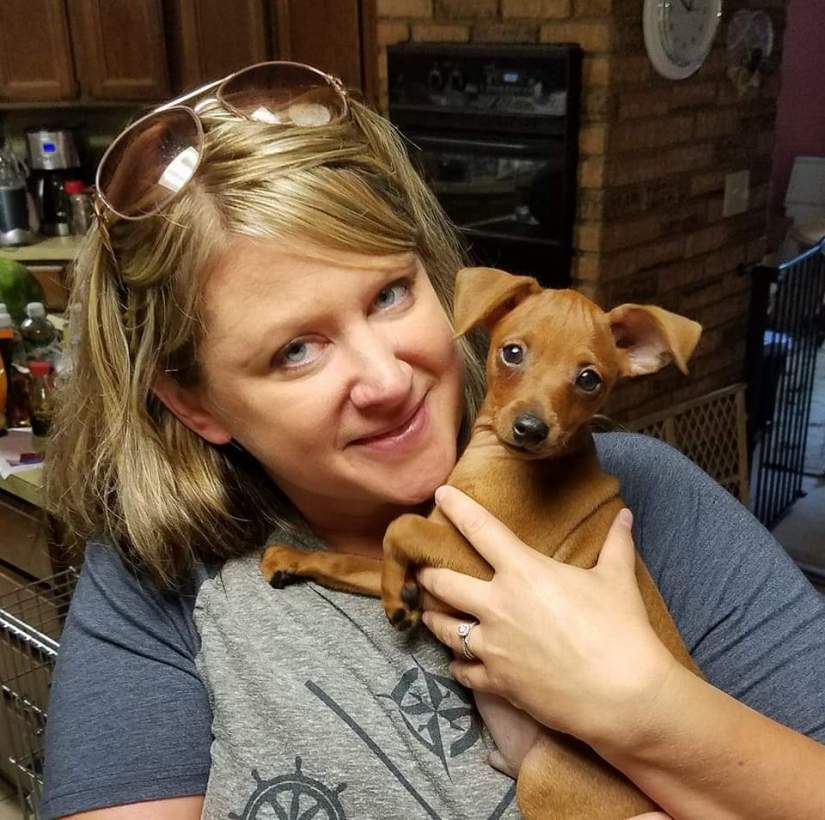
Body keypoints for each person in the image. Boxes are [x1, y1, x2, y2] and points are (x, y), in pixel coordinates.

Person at [41, 61, 825, 819]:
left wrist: (638, 704)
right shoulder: (159, 576)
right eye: (295, 350)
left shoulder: (644, 501)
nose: (387, 379)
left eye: (389, 294)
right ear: (194, 405)